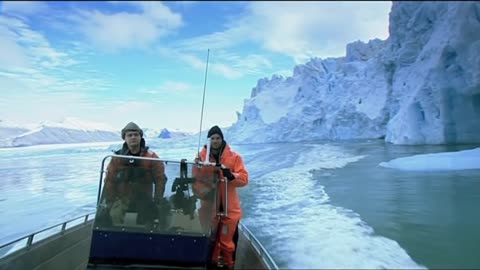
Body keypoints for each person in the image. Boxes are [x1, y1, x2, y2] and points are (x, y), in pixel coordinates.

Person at [193, 125, 248, 270]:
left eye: (218, 138)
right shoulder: (200, 158)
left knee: (227, 242)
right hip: (209, 206)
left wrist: (231, 176)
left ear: (222, 139)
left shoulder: (235, 157)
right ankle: (209, 264)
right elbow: (195, 180)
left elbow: (244, 179)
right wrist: (203, 192)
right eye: (213, 138)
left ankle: (229, 265)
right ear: (208, 140)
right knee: (208, 239)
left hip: (229, 207)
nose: (215, 141)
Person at [101, 122, 166, 225]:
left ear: (141, 137)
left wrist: (157, 201)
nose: (133, 137)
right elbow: (109, 180)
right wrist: (109, 201)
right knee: (111, 219)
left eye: (136, 135)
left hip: (145, 201)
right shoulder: (117, 158)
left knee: (149, 224)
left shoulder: (151, 157)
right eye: (129, 135)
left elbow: (160, 179)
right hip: (122, 200)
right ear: (125, 138)